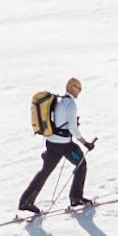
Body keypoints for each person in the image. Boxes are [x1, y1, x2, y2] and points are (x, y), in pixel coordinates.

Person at [21, 76, 94, 212]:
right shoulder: (71, 105)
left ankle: (26, 200)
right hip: (64, 145)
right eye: (79, 89)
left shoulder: (58, 100)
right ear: (73, 88)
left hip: (51, 143)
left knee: (45, 172)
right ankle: (76, 197)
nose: (79, 92)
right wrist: (86, 144)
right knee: (81, 164)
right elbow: (72, 128)